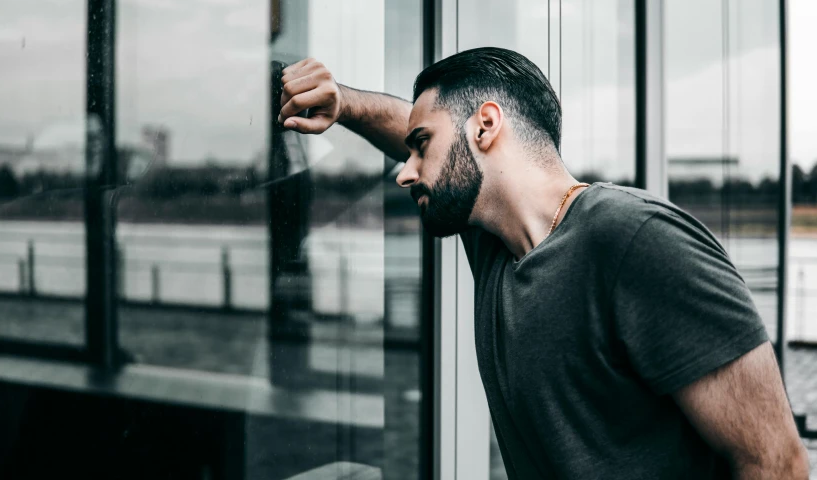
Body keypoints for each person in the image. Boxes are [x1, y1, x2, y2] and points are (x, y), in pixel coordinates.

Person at [276, 47, 810, 479]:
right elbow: (421, 127)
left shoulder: (636, 239)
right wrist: (342, 103)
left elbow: (776, 463)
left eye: (420, 148)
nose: (404, 171)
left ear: (486, 126)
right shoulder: (498, 247)